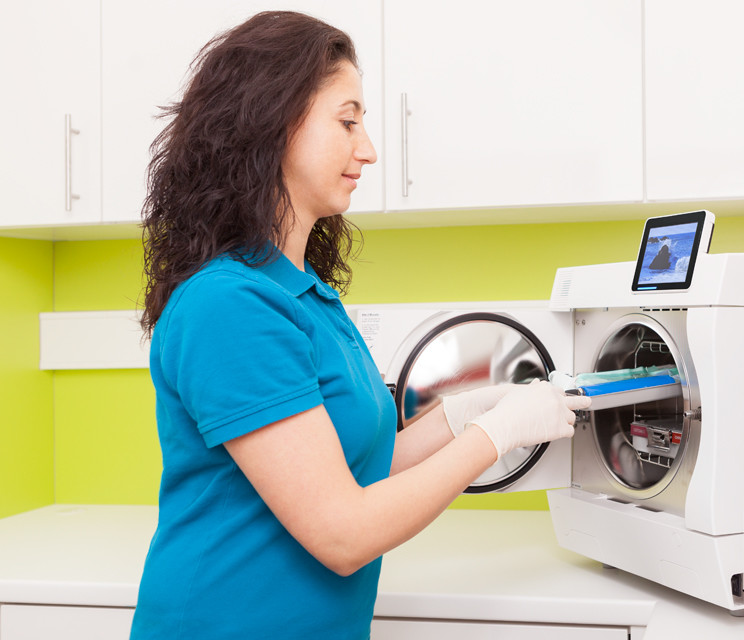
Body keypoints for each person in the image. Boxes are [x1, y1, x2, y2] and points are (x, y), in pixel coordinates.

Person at [129, 11, 590, 640]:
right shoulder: (228, 305)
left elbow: (361, 466)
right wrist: (496, 435)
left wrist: (461, 417)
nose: (368, 148)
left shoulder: (306, 294)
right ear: (272, 123)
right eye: (347, 121)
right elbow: (343, 533)